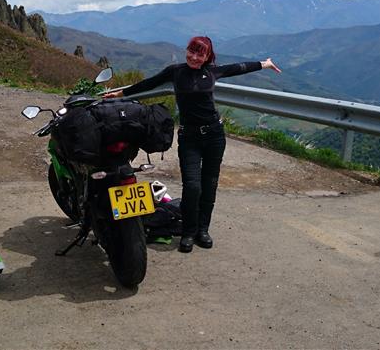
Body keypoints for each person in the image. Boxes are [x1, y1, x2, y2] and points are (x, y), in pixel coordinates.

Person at [103, 36, 281, 253]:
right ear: (186, 50)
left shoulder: (213, 72)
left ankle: (202, 230)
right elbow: (148, 83)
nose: (194, 57)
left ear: (208, 57)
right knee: (193, 186)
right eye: (192, 51)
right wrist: (119, 94)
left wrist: (264, 63)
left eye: (201, 54)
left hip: (215, 135)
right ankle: (188, 232)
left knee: (209, 185)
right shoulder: (175, 71)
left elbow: (239, 67)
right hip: (190, 138)